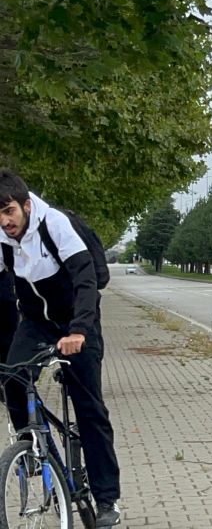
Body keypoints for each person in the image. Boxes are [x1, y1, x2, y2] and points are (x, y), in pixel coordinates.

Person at [0, 170, 120, 526]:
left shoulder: (54, 224)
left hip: (77, 322)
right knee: (12, 379)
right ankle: (35, 451)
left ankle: (107, 499)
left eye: (9, 211)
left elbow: (85, 280)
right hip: (37, 322)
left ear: (25, 205)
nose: (5, 221)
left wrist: (80, 330)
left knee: (89, 409)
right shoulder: (2, 238)